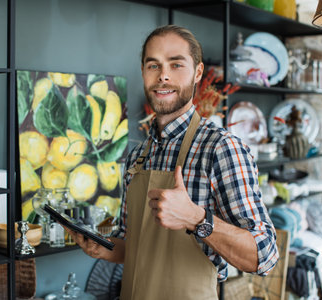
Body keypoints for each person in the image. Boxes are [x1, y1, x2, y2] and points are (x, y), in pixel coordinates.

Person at [66, 25, 279, 300]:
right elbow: (135, 247)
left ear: (198, 73)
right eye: (153, 65)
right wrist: (102, 247)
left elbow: (265, 255)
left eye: (176, 64)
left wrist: (196, 218)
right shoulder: (138, 155)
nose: (163, 75)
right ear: (143, 72)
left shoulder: (220, 148)